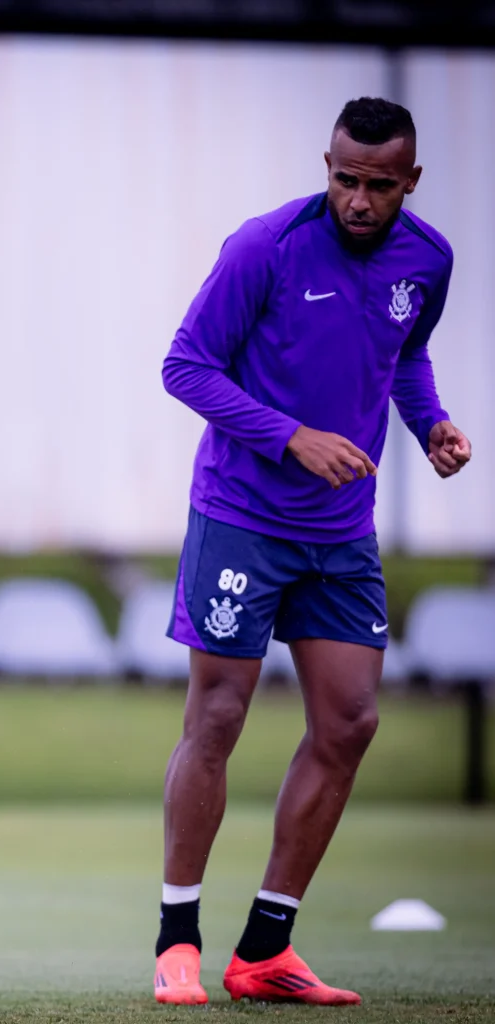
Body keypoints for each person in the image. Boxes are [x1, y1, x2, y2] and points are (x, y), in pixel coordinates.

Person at [153, 97, 471, 1007]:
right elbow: (185, 367)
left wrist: (429, 423)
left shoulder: (430, 259)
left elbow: (402, 354)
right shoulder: (265, 246)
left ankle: (264, 950)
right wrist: (291, 437)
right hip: (241, 516)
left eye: (379, 185)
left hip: (339, 531)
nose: (358, 200)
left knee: (349, 724)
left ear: (410, 181)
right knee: (217, 716)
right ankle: (177, 939)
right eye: (344, 179)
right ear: (325, 167)